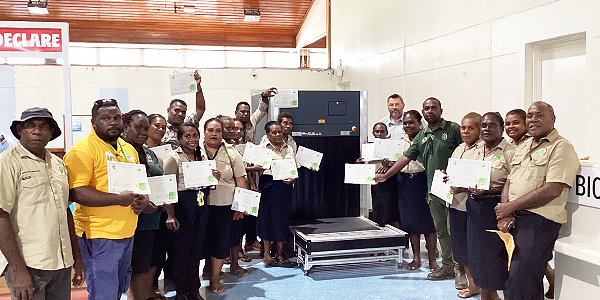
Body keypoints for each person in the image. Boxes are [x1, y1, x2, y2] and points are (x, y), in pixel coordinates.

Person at [64, 99, 149, 299]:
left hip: (127, 232)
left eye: (116, 118)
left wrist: (142, 199)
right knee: (103, 293)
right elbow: (77, 192)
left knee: (118, 288)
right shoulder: (83, 150)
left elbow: (139, 185)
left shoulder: (128, 149)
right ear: (93, 123)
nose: (112, 122)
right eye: (105, 118)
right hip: (99, 234)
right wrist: (117, 199)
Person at [374, 97, 463, 287]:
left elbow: (466, 149)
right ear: (423, 112)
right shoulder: (422, 135)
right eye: (426, 108)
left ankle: (460, 270)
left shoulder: (452, 129)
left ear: (441, 109)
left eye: (433, 108)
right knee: (441, 231)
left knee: (453, 230)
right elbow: (406, 157)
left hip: (455, 189)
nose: (430, 111)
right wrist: (386, 175)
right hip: (434, 190)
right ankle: (447, 266)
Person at [495, 101, 580, 300]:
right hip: (516, 219)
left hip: (540, 222)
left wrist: (510, 206)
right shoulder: (524, 145)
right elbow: (510, 180)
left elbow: (553, 189)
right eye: (530, 116)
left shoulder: (561, 147)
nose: (533, 120)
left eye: (539, 115)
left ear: (553, 119)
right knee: (523, 280)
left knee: (519, 280)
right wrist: (506, 212)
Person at [0, 107, 85, 300]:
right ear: (20, 130)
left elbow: (65, 211)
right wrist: (17, 269)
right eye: (30, 125)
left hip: (61, 265)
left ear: (51, 133)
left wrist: (77, 258)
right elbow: (1, 215)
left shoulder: (58, 164)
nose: (37, 131)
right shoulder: (7, 162)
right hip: (29, 265)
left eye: (44, 126)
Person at [163, 122, 220, 300]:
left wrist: (214, 177)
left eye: (195, 135)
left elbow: (206, 182)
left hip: (200, 203)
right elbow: (168, 187)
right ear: (180, 138)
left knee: (196, 249)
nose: (192, 139)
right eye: (187, 136)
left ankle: (193, 290)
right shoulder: (173, 157)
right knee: (182, 251)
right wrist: (170, 214)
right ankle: (181, 292)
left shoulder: (201, 156)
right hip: (182, 205)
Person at [463, 112, 514, 300]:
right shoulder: (474, 150)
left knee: (498, 260)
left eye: (491, 125)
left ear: (501, 128)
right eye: (483, 125)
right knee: (479, 258)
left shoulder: (509, 152)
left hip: (496, 208)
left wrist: (490, 189)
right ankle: (487, 296)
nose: (486, 129)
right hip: (474, 209)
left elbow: (514, 183)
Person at [197, 118, 248, 294]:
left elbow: (241, 180)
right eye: (210, 130)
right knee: (201, 241)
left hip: (223, 205)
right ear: (204, 132)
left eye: (218, 131)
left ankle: (215, 277)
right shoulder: (194, 150)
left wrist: (240, 206)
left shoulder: (232, 153)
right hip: (199, 205)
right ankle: (206, 269)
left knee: (220, 242)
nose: (214, 134)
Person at [122, 110, 165, 300]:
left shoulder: (149, 153)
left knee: (143, 264)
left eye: (146, 128)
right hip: (128, 218)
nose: (143, 132)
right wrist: (142, 202)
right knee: (126, 267)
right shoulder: (119, 152)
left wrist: (164, 199)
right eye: (138, 127)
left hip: (151, 218)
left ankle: (143, 295)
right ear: (125, 128)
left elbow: (157, 178)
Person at [395, 110, 438, 272]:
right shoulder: (400, 141)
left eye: (411, 122)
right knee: (411, 223)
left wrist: (429, 187)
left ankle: (432, 260)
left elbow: (432, 163)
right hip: (405, 183)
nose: (407, 126)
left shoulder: (428, 139)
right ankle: (416, 258)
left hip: (423, 181)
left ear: (420, 123)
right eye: (405, 123)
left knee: (429, 223)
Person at [447, 112, 482, 296]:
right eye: (463, 127)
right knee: (461, 247)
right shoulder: (459, 148)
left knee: (475, 247)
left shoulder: (483, 149)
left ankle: (483, 284)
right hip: (456, 205)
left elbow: (482, 179)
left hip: (475, 206)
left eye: (471, 128)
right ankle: (473, 284)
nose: (466, 131)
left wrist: (464, 187)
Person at [254, 121, 298, 265]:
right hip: (268, 185)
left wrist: (293, 178)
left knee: (282, 219)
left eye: (279, 131)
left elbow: (295, 168)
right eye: (274, 132)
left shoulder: (289, 148)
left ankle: (279, 252)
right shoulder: (261, 149)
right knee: (266, 219)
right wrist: (253, 186)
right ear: (267, 134)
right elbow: (250, 169)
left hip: (285, 187)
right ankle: (267, 253)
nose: (278, 134)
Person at [356, 122, 400, 228]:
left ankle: (399, 240)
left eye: (382, 131)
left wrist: (389, 165)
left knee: (393, 216)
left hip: (391, 183)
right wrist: (359, 164)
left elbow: (399, 164)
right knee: (379, 214)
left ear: (387, 133)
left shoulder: (393, 147)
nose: (379, 134)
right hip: (376, 184)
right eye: (377, 131)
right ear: (373, 133)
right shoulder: (368, 149)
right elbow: (366, 166)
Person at [162, 71, 206, 148]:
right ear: (168, 110)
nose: (180, 114)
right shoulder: (161, 127)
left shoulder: (188, 124)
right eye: (177, 110)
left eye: (183, 112)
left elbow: (200, 108)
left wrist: (198, 86)